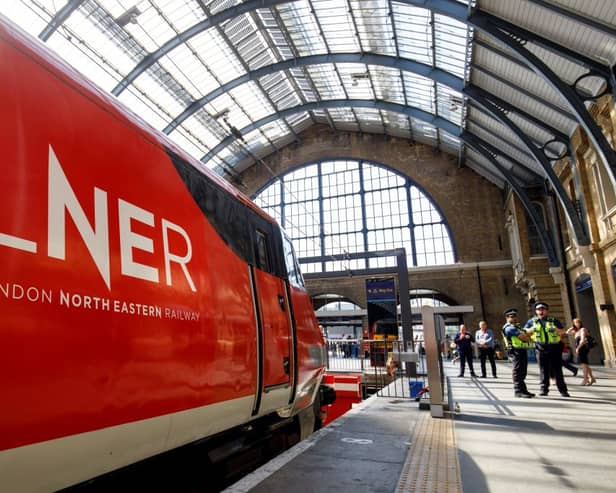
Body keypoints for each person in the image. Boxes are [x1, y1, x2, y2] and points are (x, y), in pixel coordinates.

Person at [524, 302, 570, 397]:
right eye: (539, 310)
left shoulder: (554, 320)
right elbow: (524, 333)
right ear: (536, 311)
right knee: (543, 370)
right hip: (540, 348)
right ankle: (544, 389)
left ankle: (563, 390)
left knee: (557, 370)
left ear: (547, 311)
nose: (541, 311)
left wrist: (555, 329)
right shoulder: (531, 321)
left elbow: (562, 331)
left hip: (554, 348)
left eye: (543, 309)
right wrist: (532, 329)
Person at [502, 308, 535, 398]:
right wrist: (528, 336)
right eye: (512, 316)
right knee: (518, 371)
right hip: (515, 351)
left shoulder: (517, 327)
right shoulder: (509, 328)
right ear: (507, 318)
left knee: (522, 371)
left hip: (521, 349)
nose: (514, 318)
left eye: (515, 316)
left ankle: (523, 390)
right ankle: (518, 391)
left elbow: (526, 333)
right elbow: (523, 337)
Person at [567, 318, 596, 386]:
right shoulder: (576, 331)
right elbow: (567, 332)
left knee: (583, 364)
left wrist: (578, 348)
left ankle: (585, 379)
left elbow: (582, 340)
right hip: (580, 348)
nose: (577, 324)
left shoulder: (583, 329)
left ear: (581, 323)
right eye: (575, 323)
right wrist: (572, 327)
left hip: (583, 348)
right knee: (585, 364)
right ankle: (592, 378)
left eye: (578, 322)